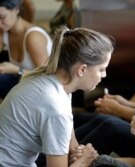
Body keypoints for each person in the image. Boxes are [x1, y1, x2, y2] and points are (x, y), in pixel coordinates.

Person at [0, 26, 114, 166]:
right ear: (82, 69)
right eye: (101, 69)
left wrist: (77, 152)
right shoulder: (56, 107)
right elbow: (61, 118)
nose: (104, 75)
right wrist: (85, 160)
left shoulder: (53, 81)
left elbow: (69, 139)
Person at [0, 0, 52, 99]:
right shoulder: (5, 31)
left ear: (16, 10)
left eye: (2, 17)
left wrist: (16, 70)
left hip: (44, 89)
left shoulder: (33, 37)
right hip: (25, 83)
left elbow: (47, 76)